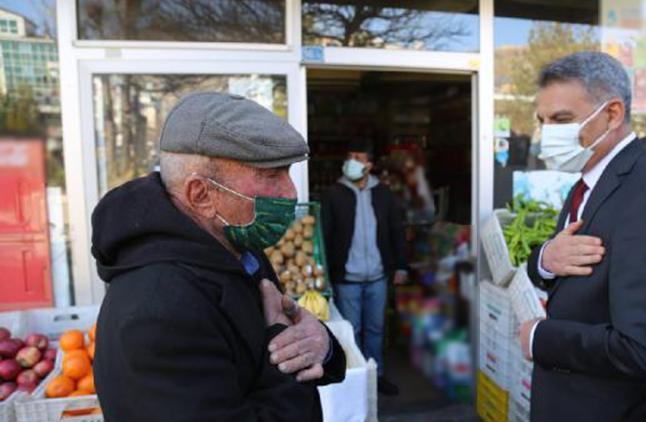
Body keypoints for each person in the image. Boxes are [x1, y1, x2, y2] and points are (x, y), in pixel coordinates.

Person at [91, 92, 346, 421]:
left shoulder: (238, 248)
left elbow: (266, 353)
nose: (290, 192)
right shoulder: (156, 312)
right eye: (271, 176)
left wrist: (322, 347)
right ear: (201, 195)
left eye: (287, 172)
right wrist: (282, 348)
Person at [519, 52, 646, 421]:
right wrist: (544, 259)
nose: (547, 133)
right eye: (543, 121)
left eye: (562, 119)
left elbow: (640, 349)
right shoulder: (585, 183)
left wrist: (540, 338)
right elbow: (565, 266)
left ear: (612, 114)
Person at [321, 140, 408, 396]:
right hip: (346, 277)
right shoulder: (334, 193)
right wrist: (325, 273)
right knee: (351, 332)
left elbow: (396, 231)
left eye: (358, 157)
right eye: (349, 156)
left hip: (378, 277)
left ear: (369, 165)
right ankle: (353, 381)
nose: (352, 162)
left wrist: (401, 266)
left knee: (375, 330)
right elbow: (325, 234)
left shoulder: (383, 194)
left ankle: (376, 377)